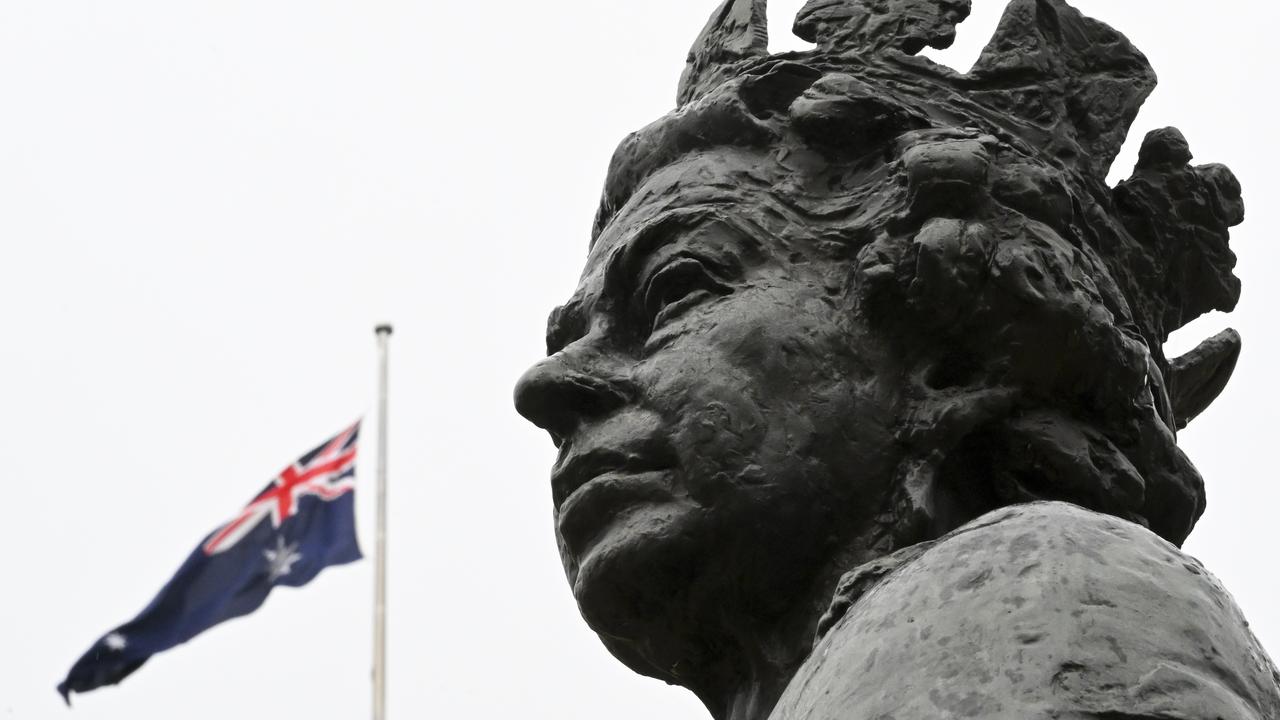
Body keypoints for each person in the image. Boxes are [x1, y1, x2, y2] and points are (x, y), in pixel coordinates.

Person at [513, 0, 1280, 717]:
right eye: (571, 337)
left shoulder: (1029, 592)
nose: (545, 386)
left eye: (674, 288)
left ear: (951, 352)